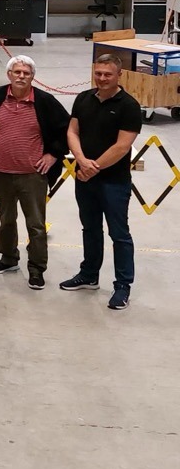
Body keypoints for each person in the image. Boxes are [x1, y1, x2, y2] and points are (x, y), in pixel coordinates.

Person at [0, 55, 70, 290]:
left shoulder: (45, 102)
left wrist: (53, 154)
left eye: (26, 73)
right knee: (6, 220)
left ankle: (36, 268)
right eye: (17, 72)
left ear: (33, 77)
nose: (21, 76)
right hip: (0, 172)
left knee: (36, 225)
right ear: (9, 74)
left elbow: (66, 130)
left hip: (32, 175)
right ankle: (9, 258)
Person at [60, 54, 142, 310]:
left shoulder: (129, 105)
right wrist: (82, 161)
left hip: (114, 183)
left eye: (108, 74)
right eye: (98, 73)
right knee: (90, 228)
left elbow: (122, 146)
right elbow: (72, 131)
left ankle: (122, 286)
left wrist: (92, 168)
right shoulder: (83, 98)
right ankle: (89, 275)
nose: (102, 78)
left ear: (119, 75)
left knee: (119, 234)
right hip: (85, 178)